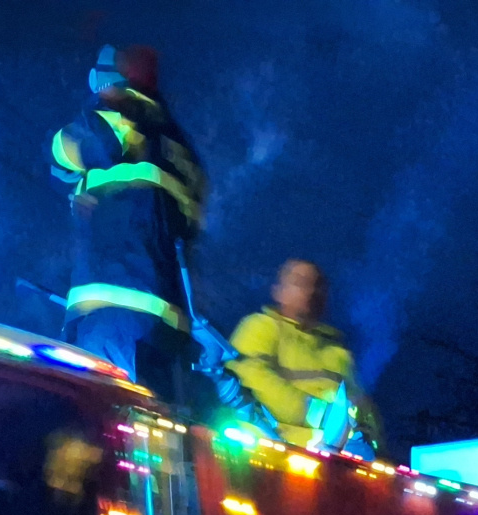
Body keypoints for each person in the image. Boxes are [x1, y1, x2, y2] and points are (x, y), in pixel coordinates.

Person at [45, 45, 207, 398]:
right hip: (169, 321)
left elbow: (61, 155)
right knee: (158, 421)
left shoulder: (109, 120)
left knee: (97, 409)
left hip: (110, 309)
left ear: (109, 83)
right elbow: (192, 222)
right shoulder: (179, 147)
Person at [227, 259, 381, 453]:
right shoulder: (260, 327)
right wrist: (320, 415)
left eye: (318, 286)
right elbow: (253, 379)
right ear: (279, 291)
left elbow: (363, 409)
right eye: (301, 283)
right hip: (271, 452)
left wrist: (371, 443)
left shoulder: (338, 352)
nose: (311, 291)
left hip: (339, 457)